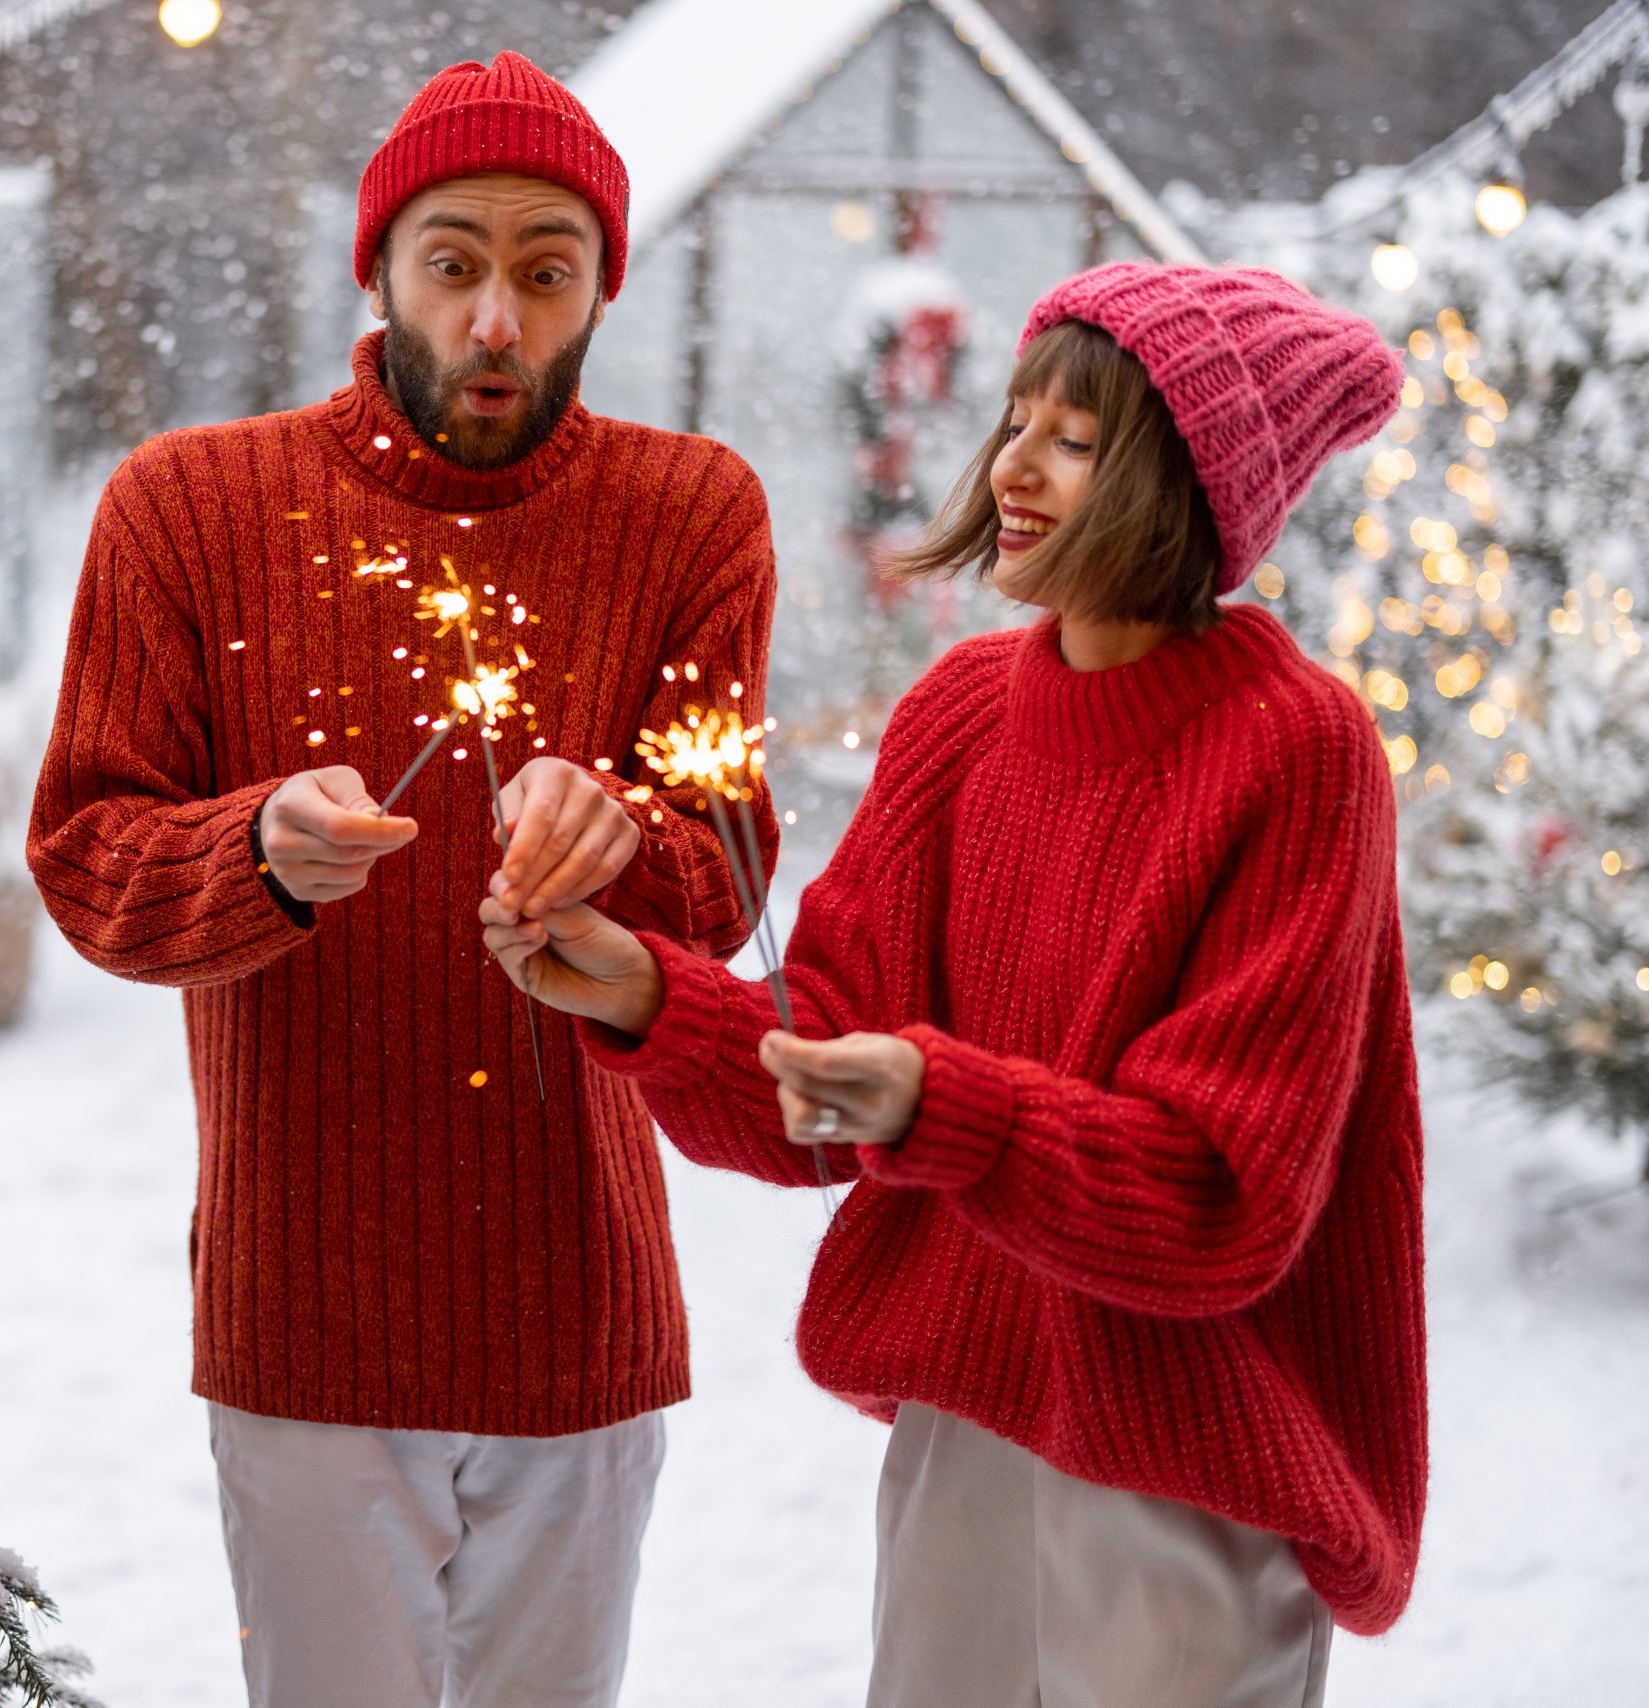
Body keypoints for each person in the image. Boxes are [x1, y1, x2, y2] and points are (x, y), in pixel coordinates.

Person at [482, 262, 1428, 1707]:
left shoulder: (1298, 755)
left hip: (1187, 1462)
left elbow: (1222, 1201)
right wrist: (645, 996)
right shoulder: (960, 716)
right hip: (965, 1416)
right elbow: (831, 1069)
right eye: (1015, 421)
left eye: (1079, 437)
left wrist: (951, 1108)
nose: (1015, 468)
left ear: (1190, 482)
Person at [27, 50, 777, 1708]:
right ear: (376, 269)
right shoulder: (189, 509)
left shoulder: (693, 515)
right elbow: (87, 856)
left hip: (576, 1302)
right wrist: (252, 852)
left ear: (599, 291)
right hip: (307, 1303)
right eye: (454, 264)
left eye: (543, 270)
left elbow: (724, 870)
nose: (494, 321)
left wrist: (629, 843)